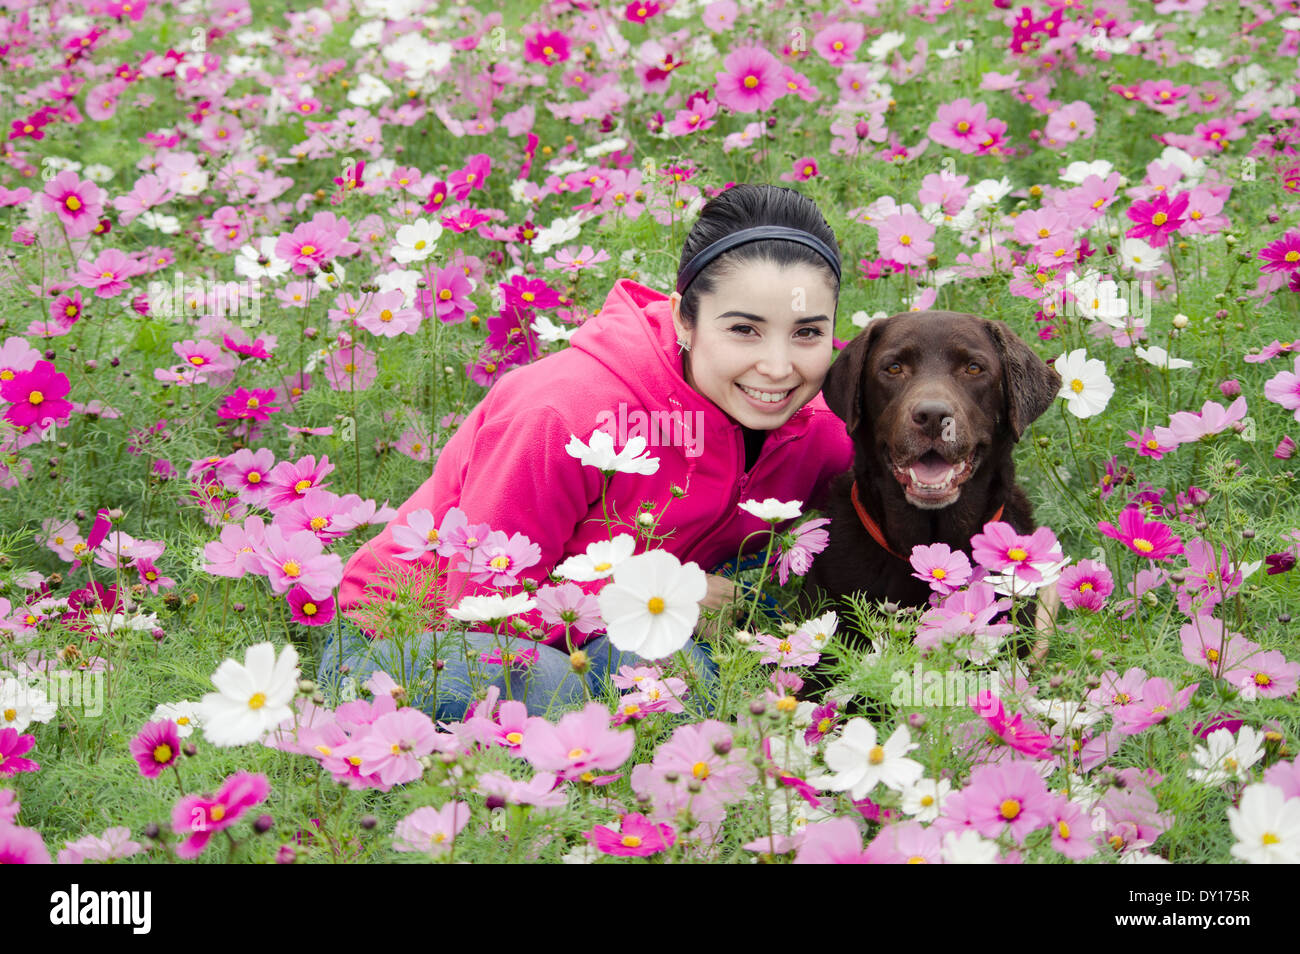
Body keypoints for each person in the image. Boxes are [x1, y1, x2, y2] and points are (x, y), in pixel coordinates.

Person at [319, 183, 854, 720]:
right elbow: (481, 605)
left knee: (676, 681)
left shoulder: (821, 427)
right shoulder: (564, 411)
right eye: (744, 329)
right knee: (563, 695)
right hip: (419, 639)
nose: (779, 367)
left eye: (808, 332)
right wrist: (662, 594)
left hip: (605, 631)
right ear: (683, 320)